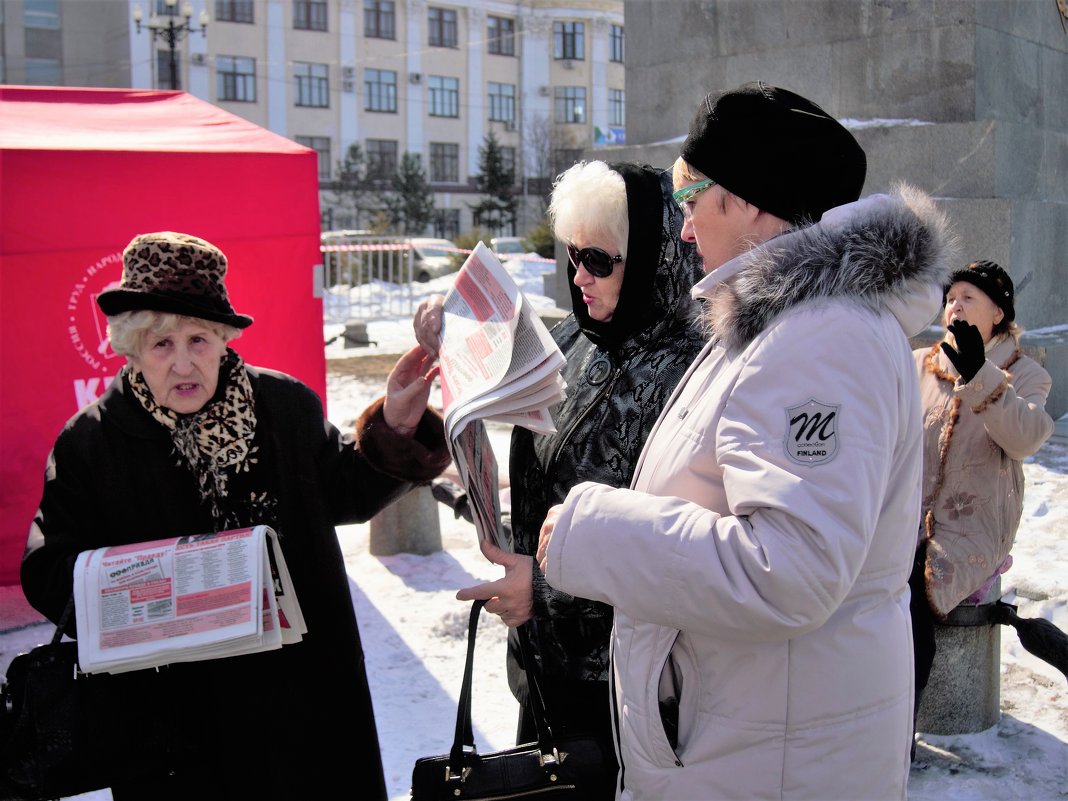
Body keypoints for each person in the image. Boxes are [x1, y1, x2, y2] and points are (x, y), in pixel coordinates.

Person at [534, 81, 958, 800]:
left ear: (754, 200)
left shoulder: (821, 334)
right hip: (755, 741)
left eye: (691, 195)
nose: (685, 227)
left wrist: (592, 532)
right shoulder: (782, 320)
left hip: (774, 763)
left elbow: (789, 568)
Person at [20, 231, 451, 800]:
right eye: (160, 345)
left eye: (198, 339)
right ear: (131, 350)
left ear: (223, 338)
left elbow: (345, 491)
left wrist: (396, 423)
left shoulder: (286, 408)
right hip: (171, 726)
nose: (182, 363)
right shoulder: (90, 444)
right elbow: (49, 568)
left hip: (299, 706)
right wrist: (150, 585)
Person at [414, 160, 704, 796]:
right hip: (547, 668)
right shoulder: (576, 337)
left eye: (600, 260)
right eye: (573, 255)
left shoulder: (697, 370)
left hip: (636, 691)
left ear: (653, 256)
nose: (579, 276)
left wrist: (543, 590)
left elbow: (683, 547)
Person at [910, 259, 1054, 724]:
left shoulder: (1026, 373)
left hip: (973, 528)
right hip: (906, 518)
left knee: (910, 598)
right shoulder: (920, 364)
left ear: (999, 313)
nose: (954, 306)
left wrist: (980, 375)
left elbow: (1025, 437)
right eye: (950, 298)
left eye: (968, 298)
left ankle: (897, 733)